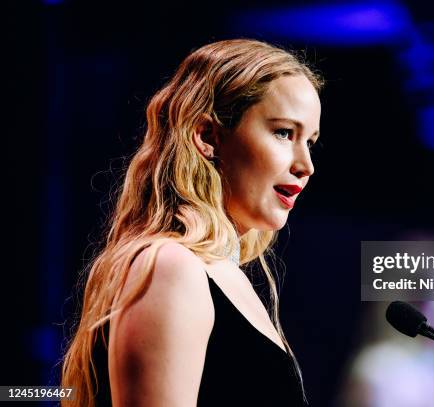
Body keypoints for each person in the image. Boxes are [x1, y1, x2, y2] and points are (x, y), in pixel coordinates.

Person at [60, 39, 323, 406]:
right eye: (283, 133)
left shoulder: (224, 276)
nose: (306, 165)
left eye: (310, 141)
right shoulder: (172, 267)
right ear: (207, 136)